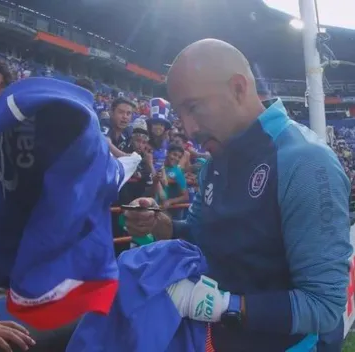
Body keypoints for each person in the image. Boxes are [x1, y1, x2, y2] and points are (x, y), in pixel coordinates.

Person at [124, 39, 351, 351]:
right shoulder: (215, 163)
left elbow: (324, 306)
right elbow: (204, 236)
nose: (189, 129)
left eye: (193, 107)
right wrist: (158, 223)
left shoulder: (305, 163)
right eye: (180, 113)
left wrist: (221, 306)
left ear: (238, 88)